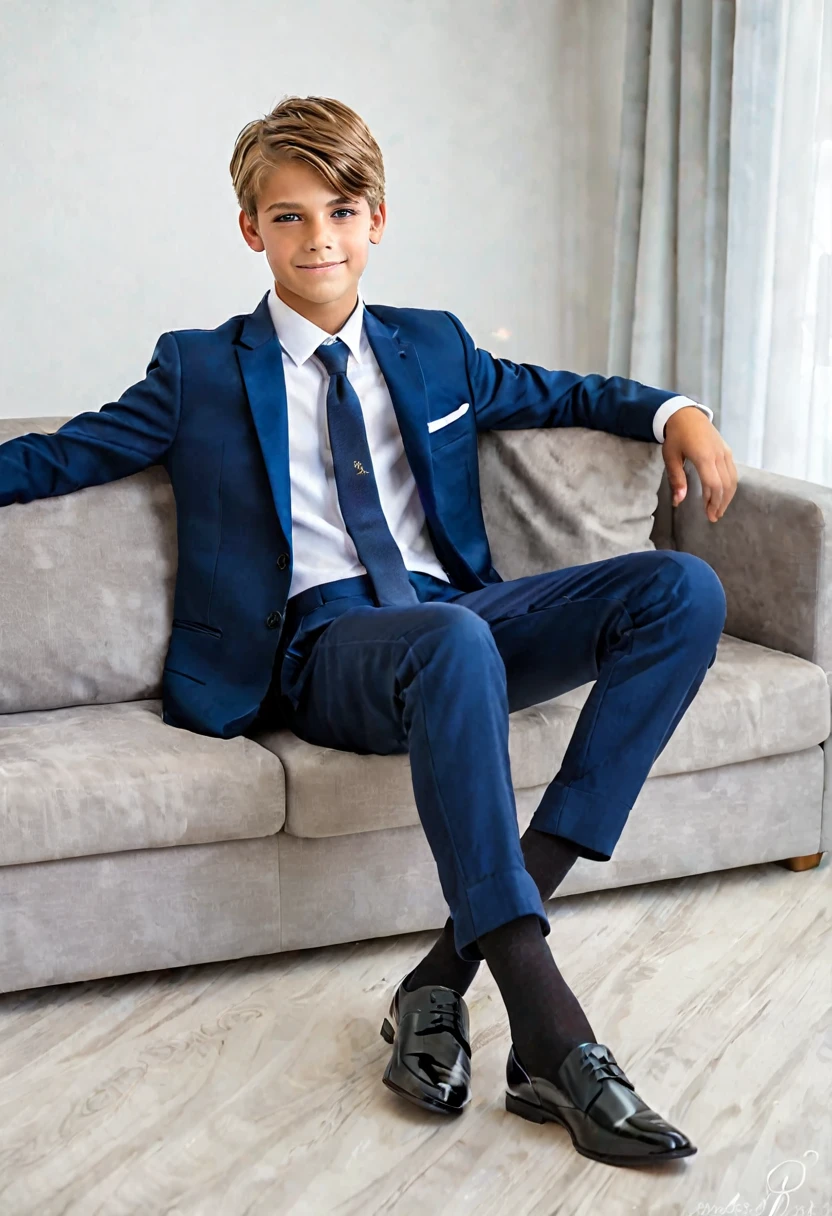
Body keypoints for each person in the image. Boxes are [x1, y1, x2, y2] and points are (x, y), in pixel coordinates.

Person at [0, 94, 736, 1169]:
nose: (319, 240)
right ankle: (551, 1030)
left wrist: (678, 411)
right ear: (252, 229)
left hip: (459, 623)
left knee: (681, 592)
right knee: (449, 639)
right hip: (324, 649)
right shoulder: (200, 369)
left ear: (377, 218)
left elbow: (567, 390)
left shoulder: (433, 348)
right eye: (289, 217)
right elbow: (58, 455)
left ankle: (440, 977)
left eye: (341, 211)